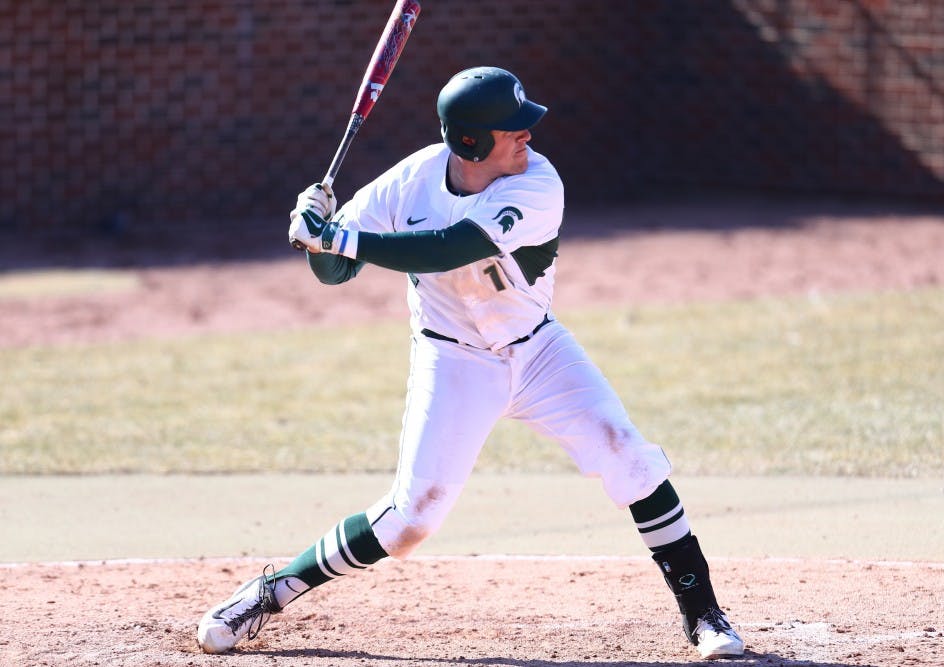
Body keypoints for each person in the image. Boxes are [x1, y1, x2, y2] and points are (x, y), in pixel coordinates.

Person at [197, 66, 744, 661]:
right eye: (511, 130)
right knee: (411, 520)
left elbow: (453, 246)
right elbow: (335, 271)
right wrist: (315, 233)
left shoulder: (538, 184)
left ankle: (705, 617)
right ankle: (270, 593)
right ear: (469, 142)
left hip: (538, 351)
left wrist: (340, 239)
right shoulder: (407, 183)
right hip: (452, 361)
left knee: (628, 457)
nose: (526, 137)